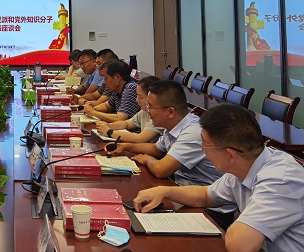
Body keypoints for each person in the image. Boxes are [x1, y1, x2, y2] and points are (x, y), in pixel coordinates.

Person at [134, 105, 304, 251]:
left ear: (230, 154)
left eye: (205, 145)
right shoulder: (245, 164)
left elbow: (240, 245)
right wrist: (164, 191)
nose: (203, 150)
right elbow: (205, 195)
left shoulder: (280, 181)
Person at [118, 80, 235, 228]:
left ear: (171, 112)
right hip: (183, 194)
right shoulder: (173, 125)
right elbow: (156, 149)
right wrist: (126, 146)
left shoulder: (192, 132)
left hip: (210, 210)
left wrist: (147, 160)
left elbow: (161, 169)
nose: (147, 110)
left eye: (150, 106)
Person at [95, 76, 164, 143]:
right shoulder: (144, 111)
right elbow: (127, 123)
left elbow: (140, 138)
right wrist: (108, 125)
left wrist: (109, 132)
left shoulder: (158, 116)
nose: (137, 100)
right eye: (137, 95)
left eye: (141, 97)